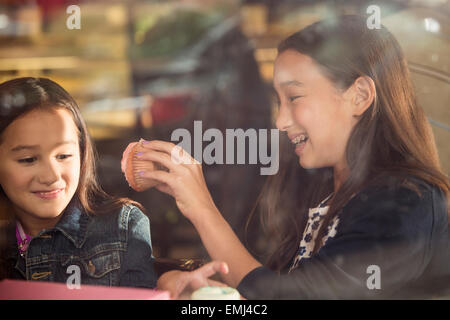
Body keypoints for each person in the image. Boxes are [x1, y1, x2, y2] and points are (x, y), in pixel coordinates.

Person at [135, 15, 450, 299]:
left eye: (294, 97)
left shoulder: (406, 202)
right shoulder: (320, 186)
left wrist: (202, 209)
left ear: (359, 96)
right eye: (278, 101)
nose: (281, 121)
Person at [0, 77, 157, 289]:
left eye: (64, 156)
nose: (51, 176)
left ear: (82, 152)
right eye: (28, 159)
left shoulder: (123, 227)